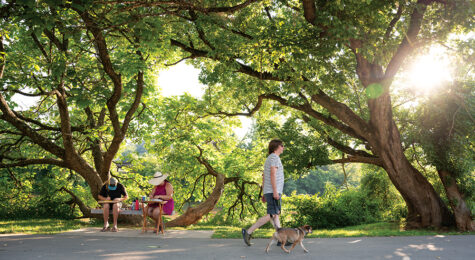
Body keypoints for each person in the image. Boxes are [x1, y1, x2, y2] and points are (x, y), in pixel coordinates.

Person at [242, 139, 285, 246]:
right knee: (272, 214)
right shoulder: (274, 157)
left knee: (276, 214)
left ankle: (281, 239)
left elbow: (264, 177)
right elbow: (272, 175)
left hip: (269, 191)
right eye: (282, 146)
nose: (283, 147)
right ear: (276, 147)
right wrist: (274, 192)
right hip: (273, 191)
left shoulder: (269, 158)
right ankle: (248, 232)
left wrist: (264, 192)